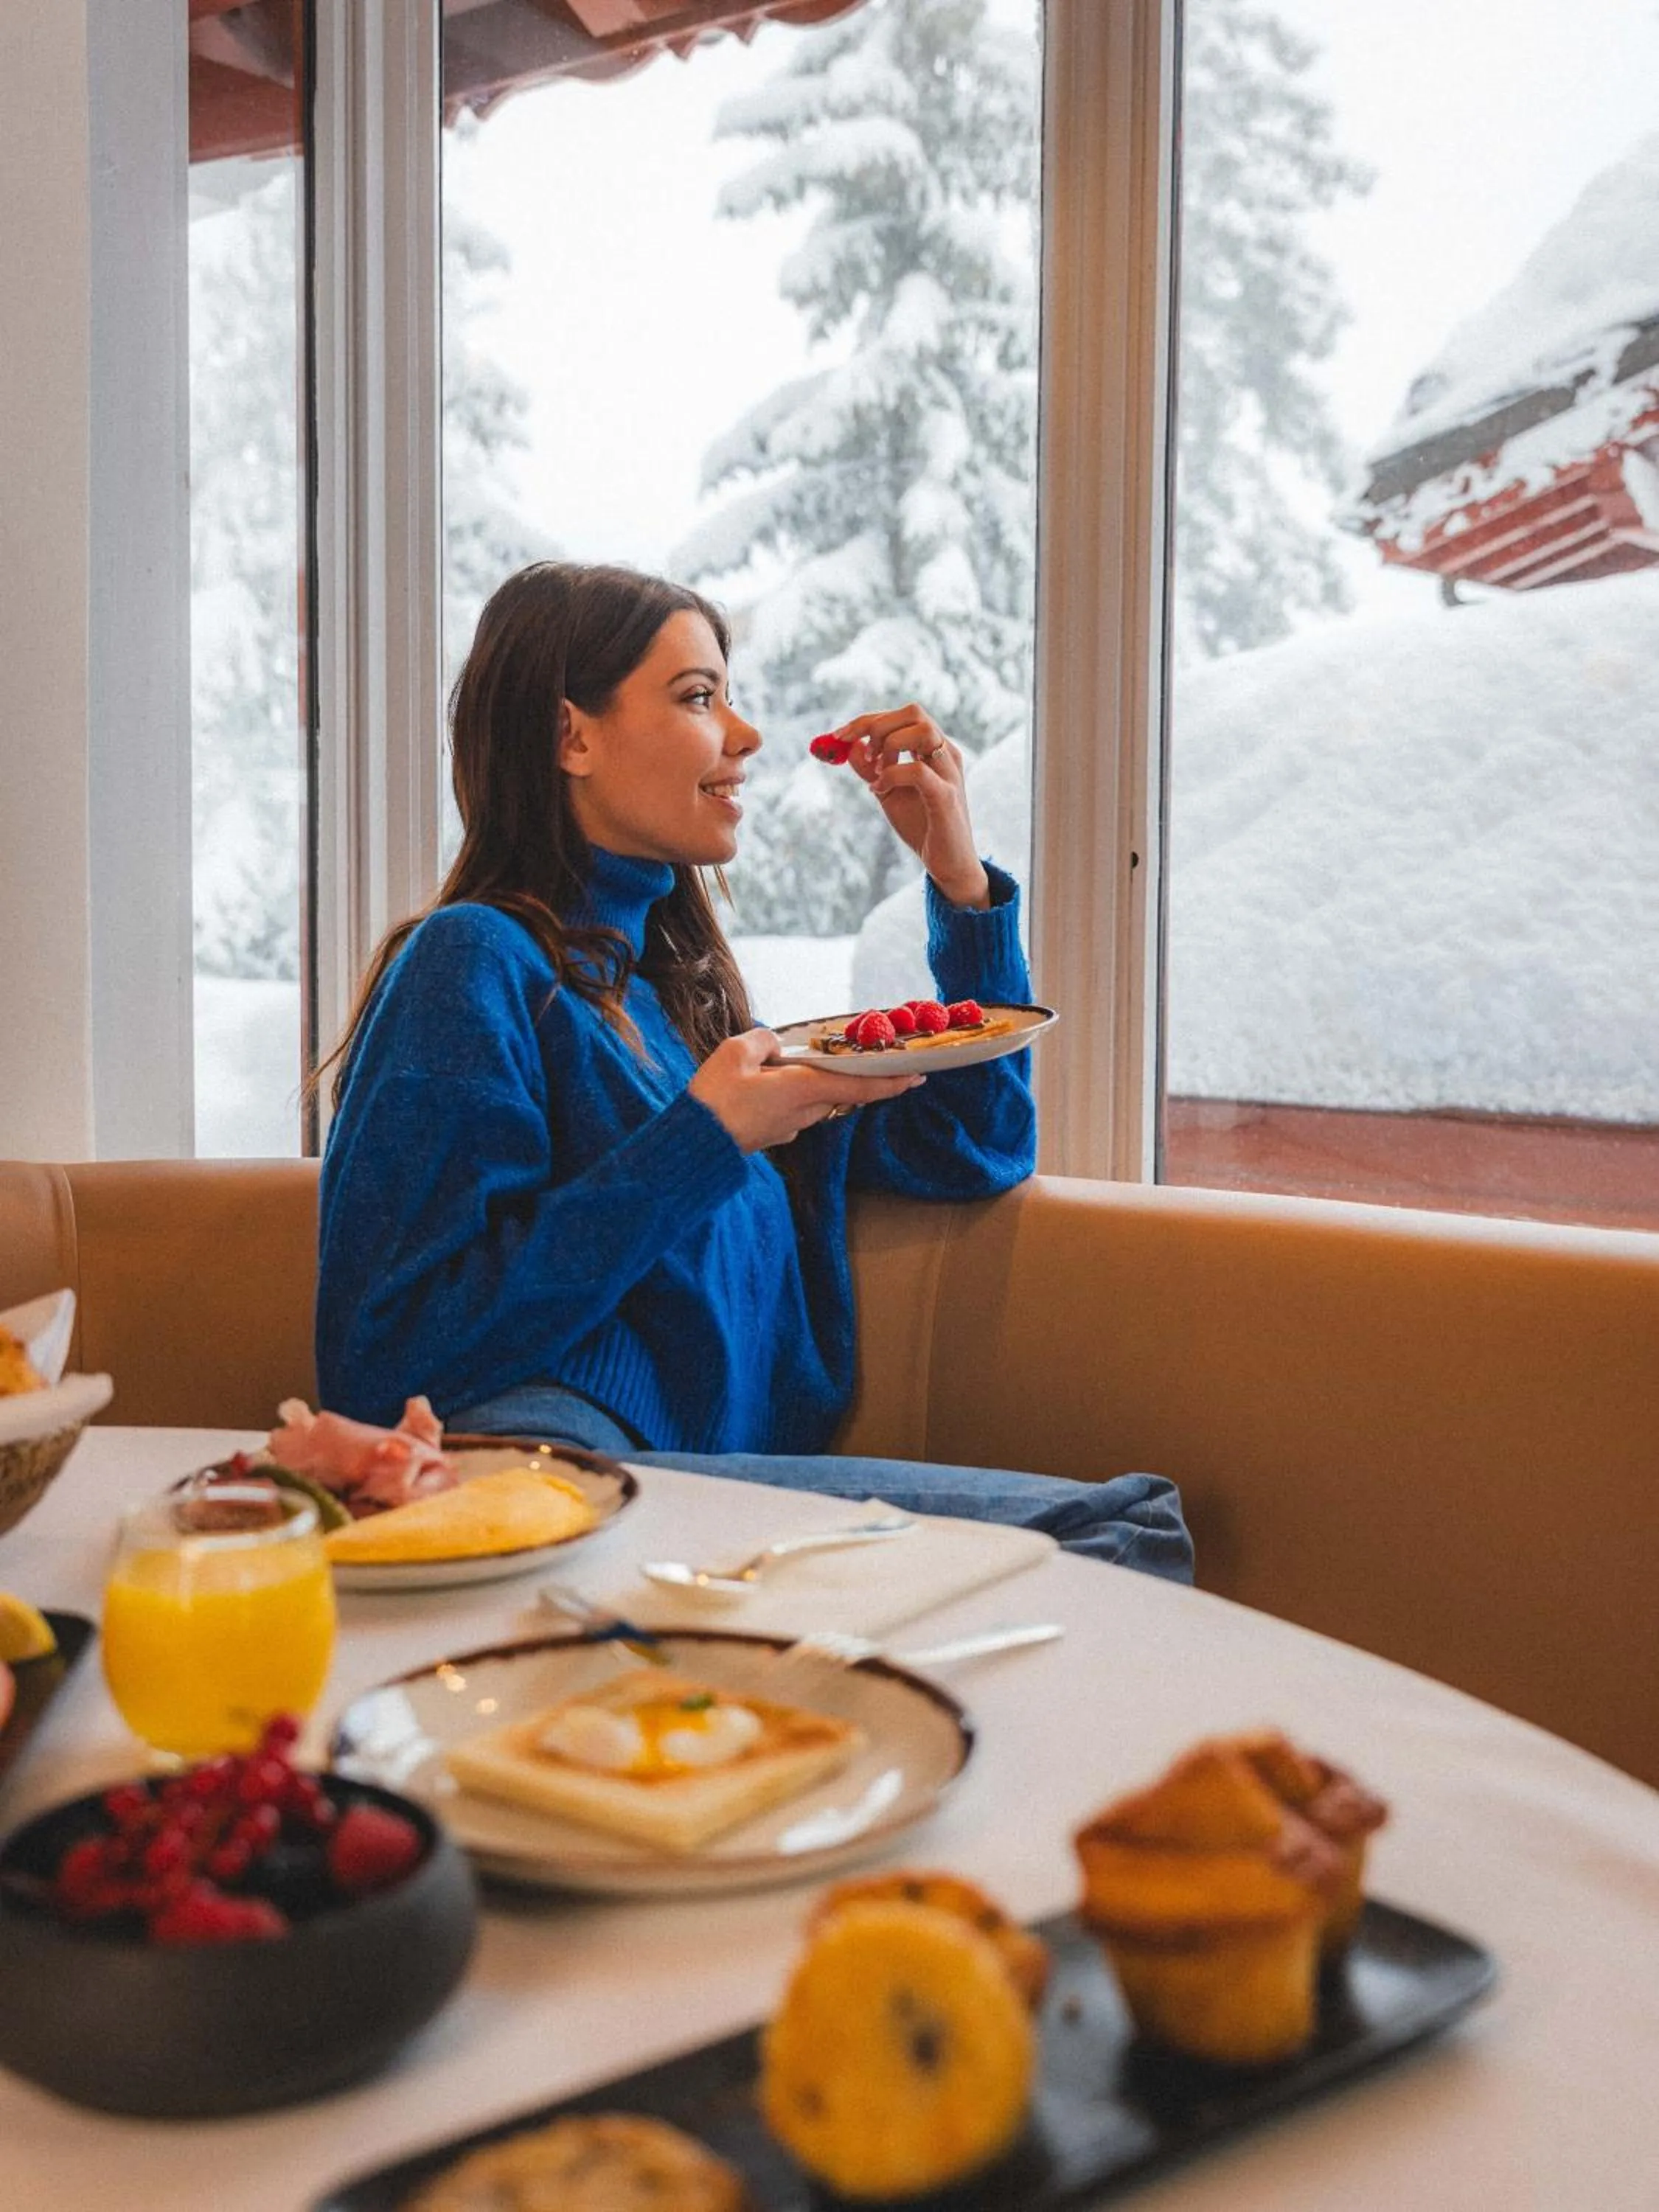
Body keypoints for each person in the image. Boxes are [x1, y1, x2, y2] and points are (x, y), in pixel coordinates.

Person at [315, 562, 1191, 1580]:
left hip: (693, 1491)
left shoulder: (691, 1010)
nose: (744, 735)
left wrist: (956, 883)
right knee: (1119, 1533)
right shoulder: (473, 962)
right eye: (697, 698)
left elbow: (976, 1150)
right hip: (548, 1484)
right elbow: (384, 1354)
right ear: (571, 736)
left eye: (730, 697)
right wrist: (704, 1139)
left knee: (1120, 1534)